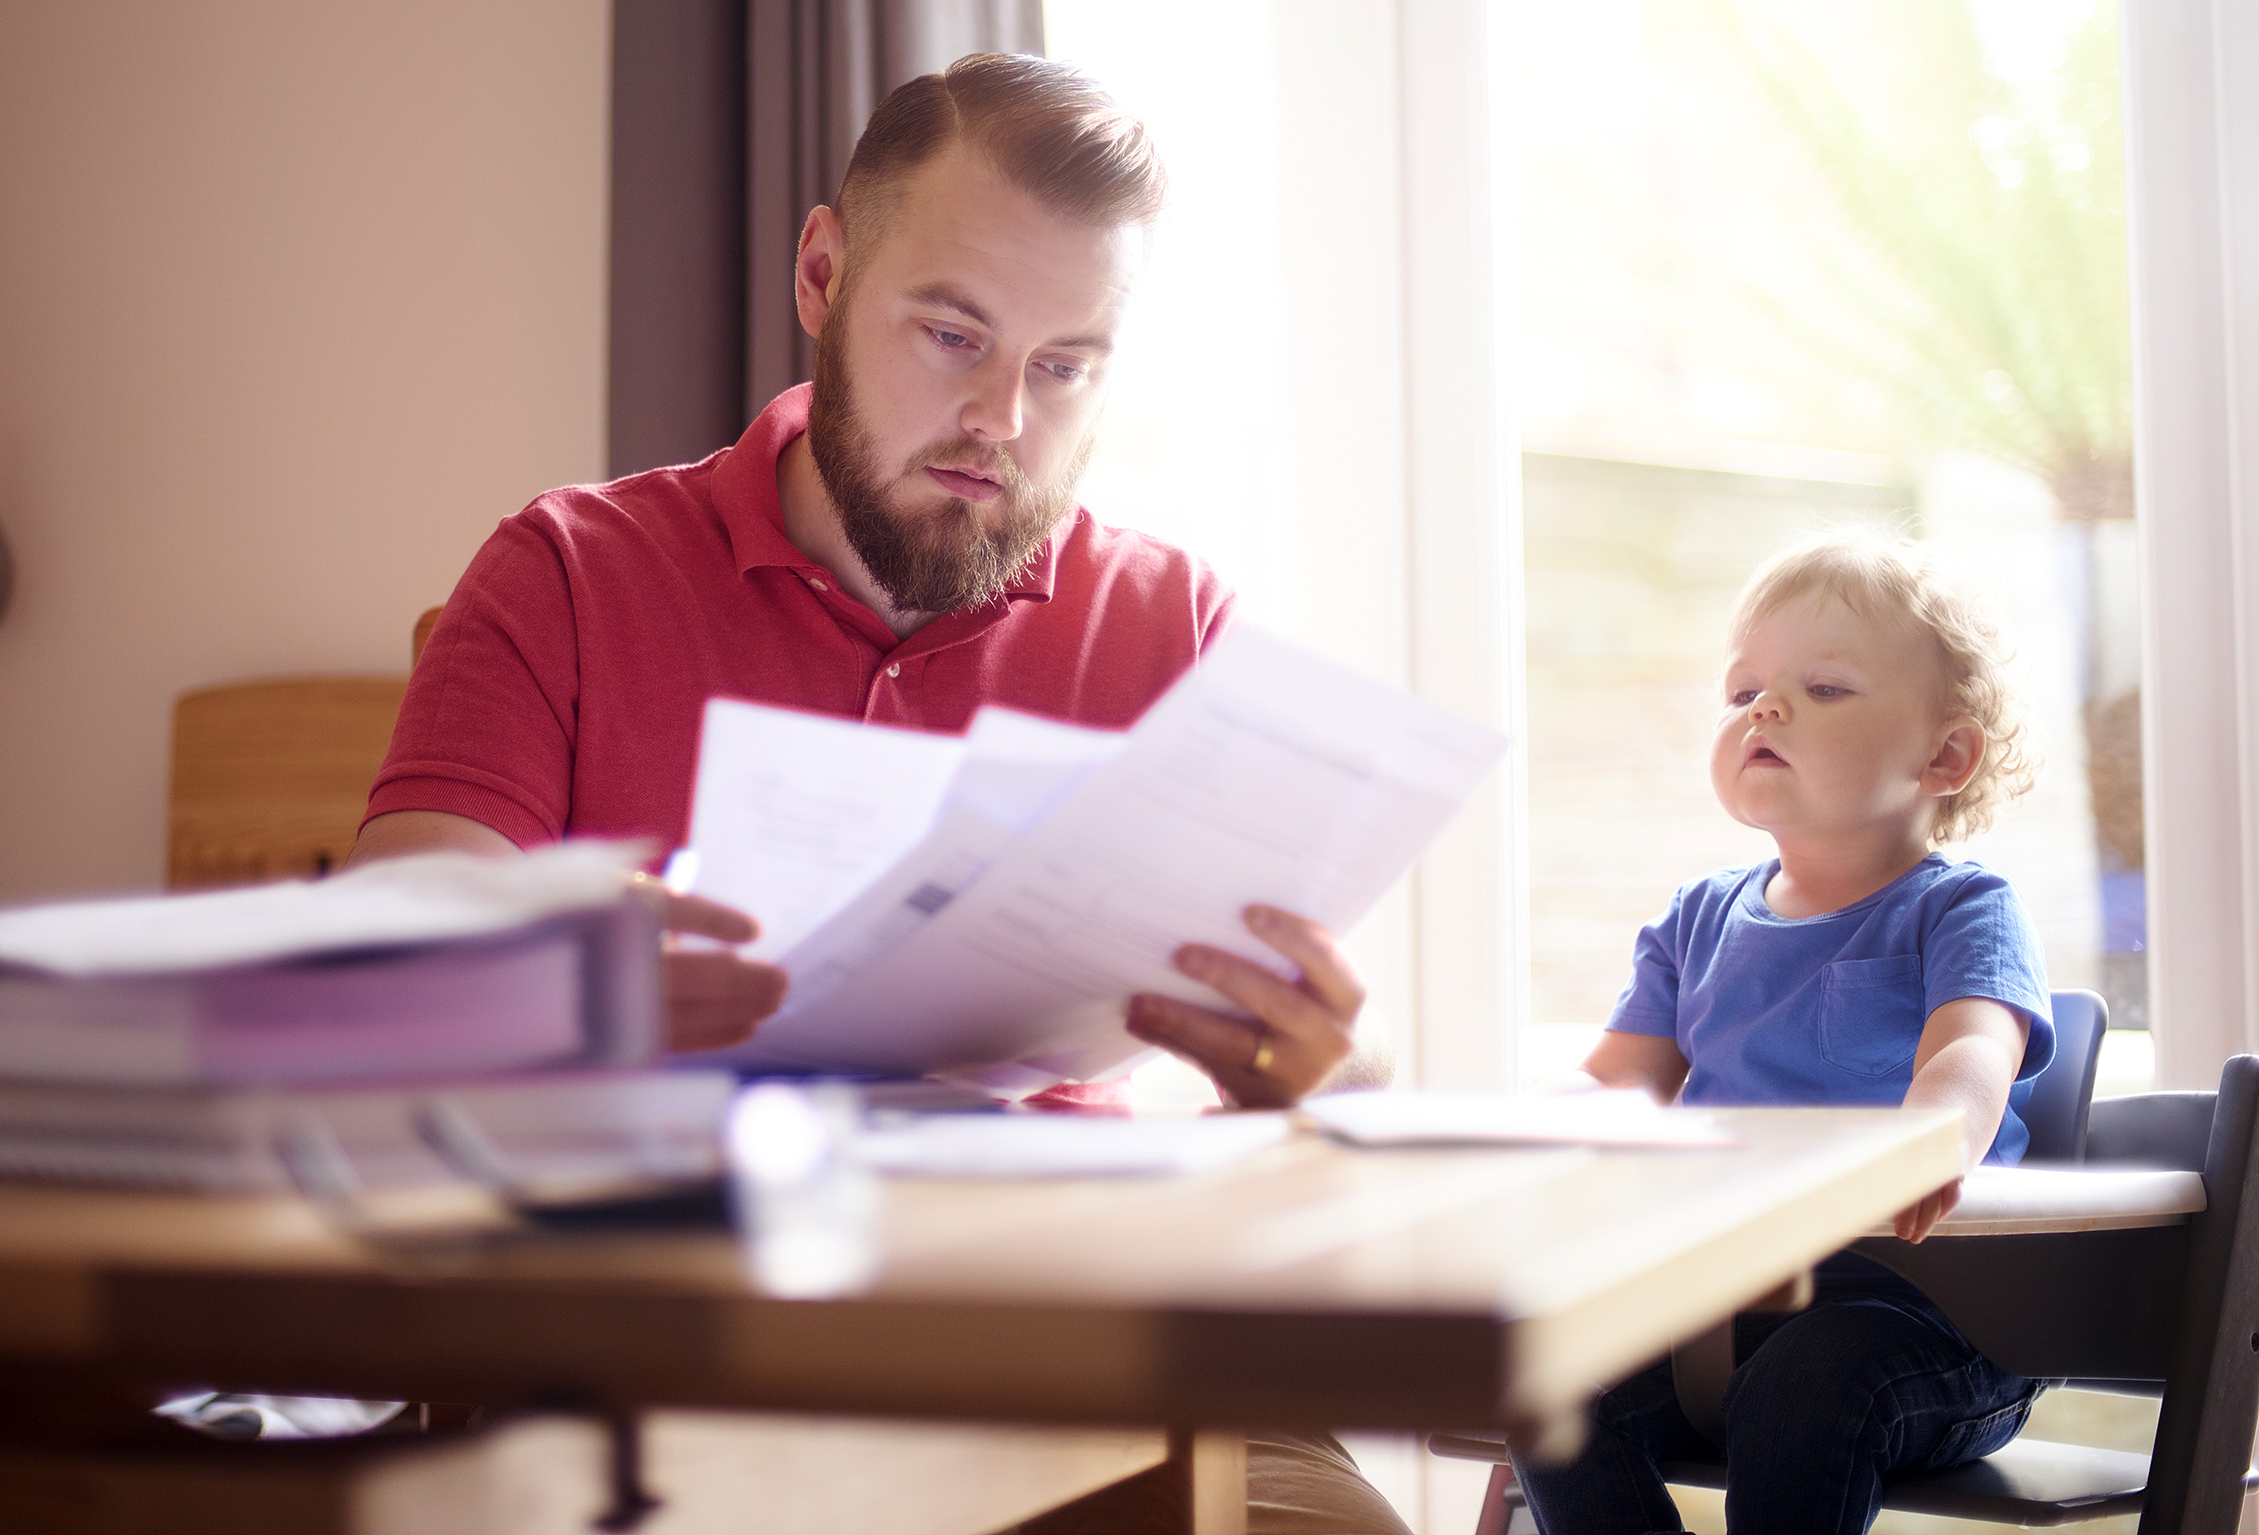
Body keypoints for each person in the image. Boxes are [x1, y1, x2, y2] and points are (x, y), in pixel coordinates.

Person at [349, 52, 1406, 1534]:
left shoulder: (1177, 628)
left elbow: (1345, 1092)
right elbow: (375, 964)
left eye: (1065, 366)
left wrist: (1315, 1073)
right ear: (823, 271)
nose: (1001, 420)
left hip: (1087, 1352)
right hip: (674, 1351)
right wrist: (552, 975)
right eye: (954, 332)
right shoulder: (569, 572)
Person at [1513, 532, 2056, 1535]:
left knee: (1811, 1382)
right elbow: (1615, 1087)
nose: (1762, 709)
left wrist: (1924, 1136)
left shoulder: (1960, 909)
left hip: (1929, 1320)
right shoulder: (1693, 917)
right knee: (1543, 1368)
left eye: (1824, 688)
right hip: (1721, 1318)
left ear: (1941, 754)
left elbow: (1971, 1053)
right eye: (1741, 690)